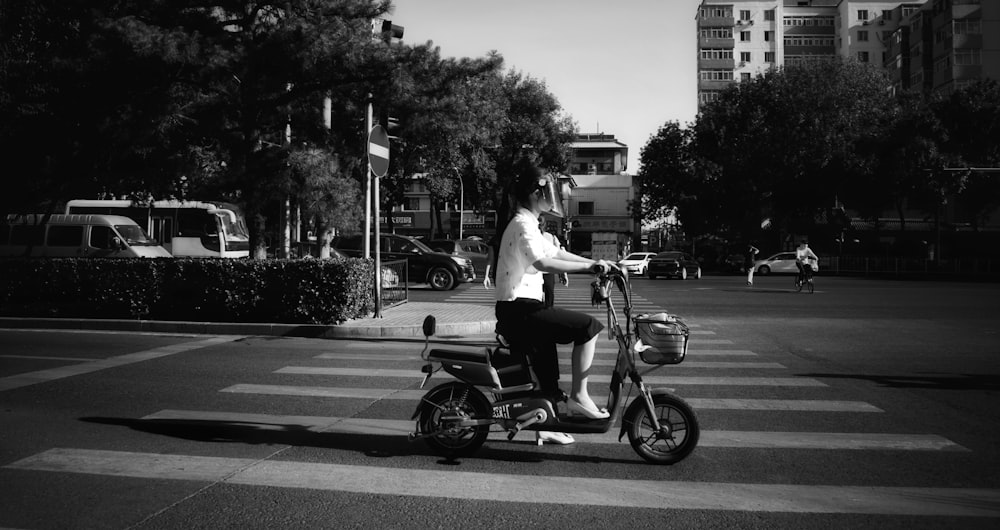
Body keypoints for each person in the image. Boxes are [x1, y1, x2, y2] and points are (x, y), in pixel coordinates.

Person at [495, 158, 617, 445]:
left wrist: (597, 262)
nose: (552, 198)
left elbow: (558, 253)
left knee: (547, 373)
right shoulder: (522, 225)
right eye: (549, 191)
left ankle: (546, 425)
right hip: (519, 310)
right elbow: (543, 262)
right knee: (587, 327)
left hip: (526, 308)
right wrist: (590, 268)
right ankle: (579, 397)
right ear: (537, 193)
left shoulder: (531, 225)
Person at [539, 218, 569, 308]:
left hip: (547, 272)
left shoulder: (551, 237)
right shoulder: (529, 236)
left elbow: (559, 256)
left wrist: (563, 274)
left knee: (549, 298)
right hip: (536, 273)